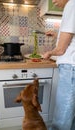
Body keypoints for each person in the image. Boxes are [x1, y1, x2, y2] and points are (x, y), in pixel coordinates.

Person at [43, 0, 75, 130]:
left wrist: (49, 53)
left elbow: (61, 49)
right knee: (71, 114)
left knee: (63, 115)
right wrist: (56, 34)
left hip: (71, 67)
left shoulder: (72, 4)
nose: (53, 1)